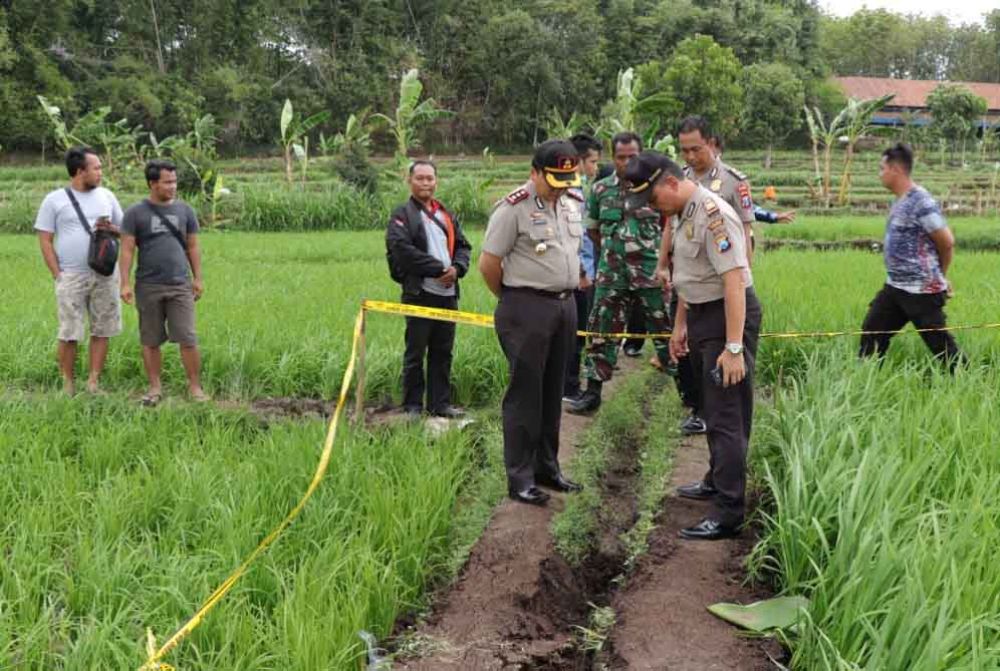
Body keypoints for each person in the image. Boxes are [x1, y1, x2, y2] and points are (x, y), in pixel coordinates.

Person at [628, 150, 762, 541]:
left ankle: (728, 512)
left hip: (727, 317)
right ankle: (715, 479)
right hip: (704, 313)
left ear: (671, 182)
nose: (653, 209)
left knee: (726, 416)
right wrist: (681, 324)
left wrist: (734, 347)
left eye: (652, 200)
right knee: (711, 406)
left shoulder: (712, 214)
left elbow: (735, 280)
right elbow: (691, 273)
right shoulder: (682, 212)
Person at [480, 140, 585, 506]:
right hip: (526, 306)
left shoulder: (572, 204)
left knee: (552, 391)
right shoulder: (513, 209)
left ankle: (547, 468)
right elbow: (489, 264)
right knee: (526, 394)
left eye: (566, 179)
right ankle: (520, 477)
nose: (560, 186)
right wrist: (514, 301)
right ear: (535, 172)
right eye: (553, 178)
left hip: (565, 305)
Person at [567, 132, 673, 415]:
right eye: (621, 157)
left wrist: (659, 264)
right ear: (612, 158)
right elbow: (593, 229)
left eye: (632, 156)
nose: (627, 162)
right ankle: (592, 394)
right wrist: (618, 254)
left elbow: (669, 230)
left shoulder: (656, 189)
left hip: (650, 274)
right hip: (612, 275)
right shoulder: (601, 190)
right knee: (601, 332)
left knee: (666, 331)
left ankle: (691, 396)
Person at [859, 143, 964, 371]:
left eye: (881, 168)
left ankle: (967, 380)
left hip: (921, 291)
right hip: (896, 287)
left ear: (895, 169)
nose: (880, 174)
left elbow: (946, 242)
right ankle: (864, 380)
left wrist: (940, 278)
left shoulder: (921, 201)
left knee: (941, 347)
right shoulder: (900, 200)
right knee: (872, 332)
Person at [35, 146, 124, 396]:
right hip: (71, 276)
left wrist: (111, 228)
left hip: (105, 274)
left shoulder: (107, 195)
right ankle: (67, 384)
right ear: (79, 171)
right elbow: (45, 239)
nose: (101, 172)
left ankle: (93, 383)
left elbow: (125, 230)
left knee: (102, 328)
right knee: (69, 332)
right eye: (96, 168)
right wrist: (57, 274)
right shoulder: (54, 200)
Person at [386, 160, 472, 417]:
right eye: (420, 178)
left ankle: (440, 404)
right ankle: (412, 405)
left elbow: (464, 247)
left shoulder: (446, 213)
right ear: (409, 181)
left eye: (430, 178)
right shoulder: (402, 215)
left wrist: (457, 269)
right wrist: (438, 269)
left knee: (443, 351)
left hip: (448, 295)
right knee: (415, 351)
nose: (426, 183)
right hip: (420, 293)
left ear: (436, 181)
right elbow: (401, 250)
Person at [119, 159, 206, 405]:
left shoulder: (185, 211)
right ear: (152, 183)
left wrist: (198, 278)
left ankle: (195, 387)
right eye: (167, 182)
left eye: (175, 181)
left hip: (180, 284)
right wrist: (124, 283)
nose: (173, 186)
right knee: (150, 339)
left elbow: (193, 246)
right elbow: (126, 250)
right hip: (148, 285)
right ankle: (155, 388)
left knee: (188, 338)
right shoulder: (135, 213)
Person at [563, 133, 601, 402]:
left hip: (587, 271)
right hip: (578, 277)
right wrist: (583, 274)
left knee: (580, 333)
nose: (595, 168)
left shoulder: (582, 192)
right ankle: (569, 386)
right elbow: (570, 241)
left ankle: (571, 382)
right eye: (592, 162)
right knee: (574, 336)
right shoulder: (569, 195)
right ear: (578, 162)